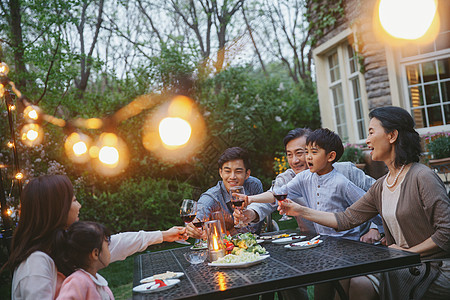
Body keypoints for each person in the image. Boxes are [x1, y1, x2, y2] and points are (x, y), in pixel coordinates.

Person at [279, 107, 450, 300]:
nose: (367, 140)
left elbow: (446, 232)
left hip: (434, 267)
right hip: (401, 262)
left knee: (357, 284)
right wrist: (300, 210)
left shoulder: (422, 176)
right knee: (348, 281)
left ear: (392, 135)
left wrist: (408, 253)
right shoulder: (382, 185)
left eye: (371, 132)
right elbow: (346, 219)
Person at [4, 174, 186, 299]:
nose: (80, 205)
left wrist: (163, 235)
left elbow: (115, 244)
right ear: (56, 209)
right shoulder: (36, 263)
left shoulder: (64, 245)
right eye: (74, 200)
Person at [234, 127, 382, 243]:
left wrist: (377, 229)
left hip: (355, 241)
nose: (295, 160)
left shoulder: (344, 174)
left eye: (302, 152)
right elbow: (273, 196)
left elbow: (378, 198)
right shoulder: (295, 178)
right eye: (289, 154)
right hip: (317, 242)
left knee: (355, 282)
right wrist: (250, 206)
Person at [186, 147, 264, 239]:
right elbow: (201, 210)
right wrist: (194, 224)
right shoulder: (212, 197)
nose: (232, 177)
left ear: (247, 174)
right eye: (227, 171)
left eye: (238, 171)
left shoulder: (254, 185)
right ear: (221, 173)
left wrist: (227, 232)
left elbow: (254, 228)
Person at [55, 221, 114, 299]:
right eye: (107, 244)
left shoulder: (95, 281)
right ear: (95, 254)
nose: (109, 249)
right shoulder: (78, 282)